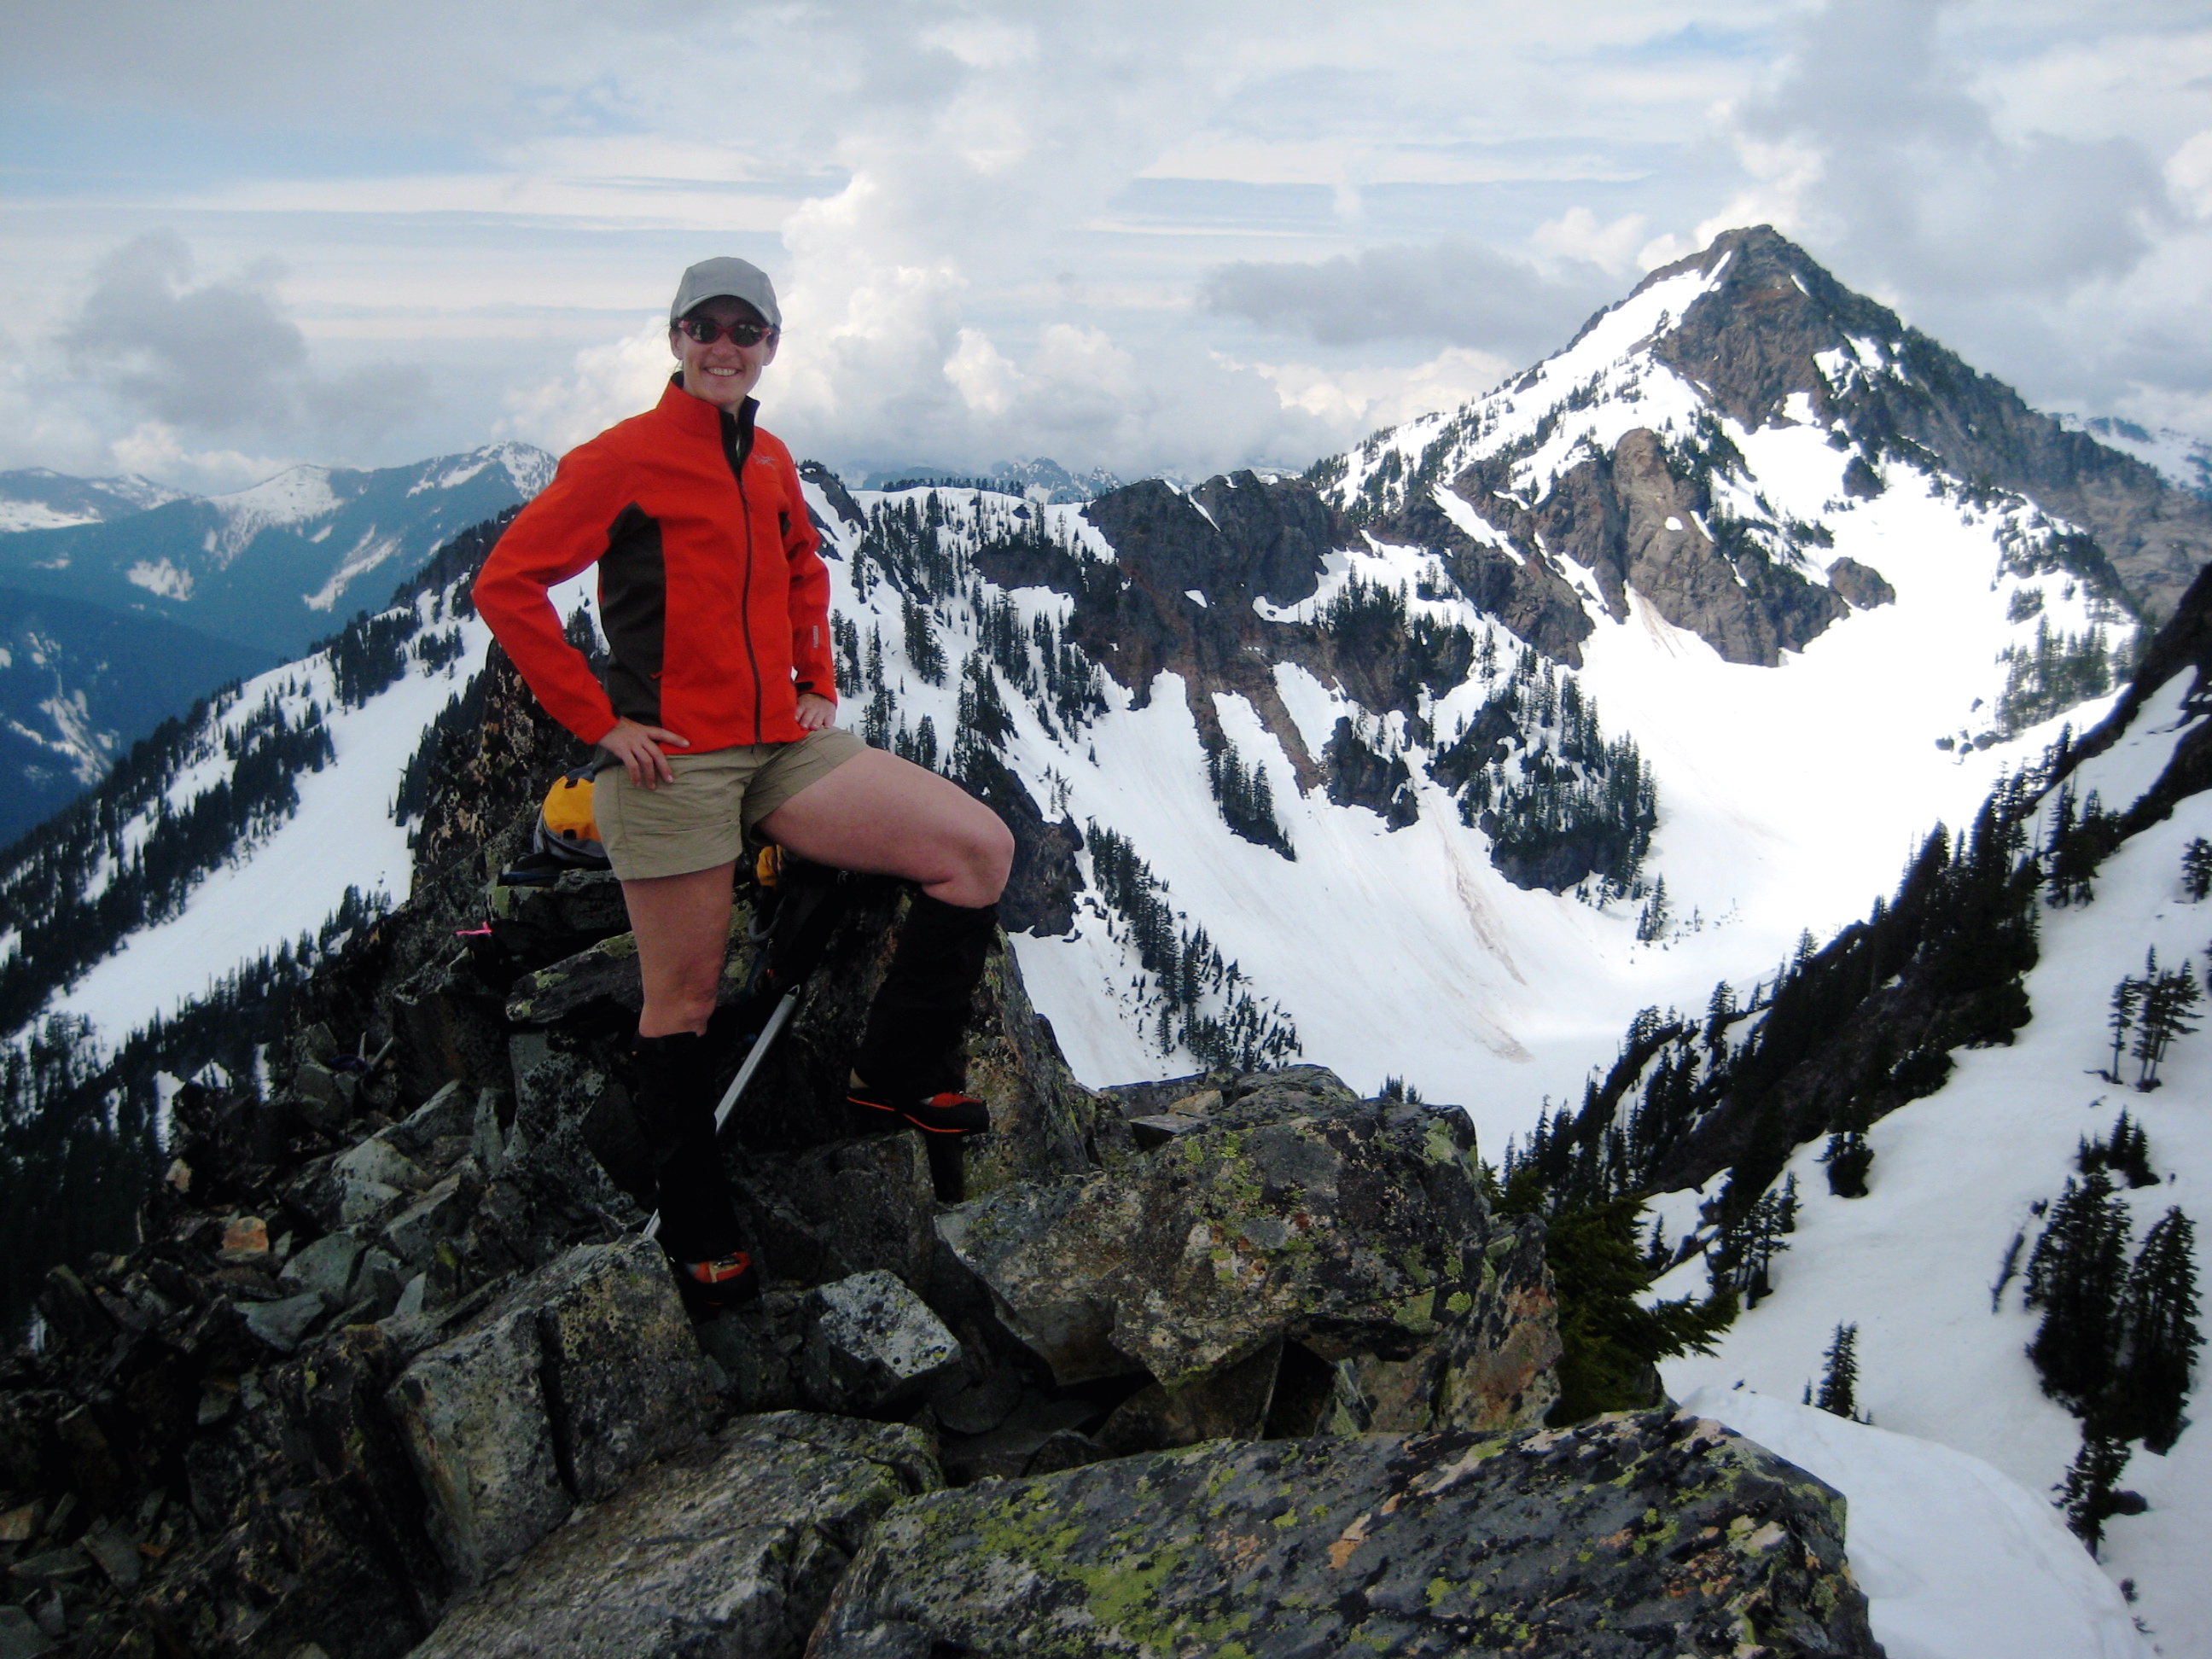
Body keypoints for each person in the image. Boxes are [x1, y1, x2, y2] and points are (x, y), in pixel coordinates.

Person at [474, 256, 1014, 1304]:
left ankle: (894, 1079)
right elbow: (508, 584)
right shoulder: (623, 458)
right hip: (674, 758)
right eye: (704, 326)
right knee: (683, 998)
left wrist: (819, 679)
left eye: (746, 329)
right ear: (675, 339)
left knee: (979, 850)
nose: (725, 345)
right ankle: (695, 1220)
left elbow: (806, 569)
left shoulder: (767, 457)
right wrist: (600, 721)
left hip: (782, 746)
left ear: (770, 344)